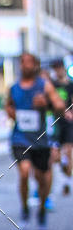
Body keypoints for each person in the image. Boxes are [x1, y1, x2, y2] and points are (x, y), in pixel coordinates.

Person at [5, 52, 64, 230]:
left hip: (39, 139)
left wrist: (46, 103)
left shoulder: (44, 86)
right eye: (22, 62)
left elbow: (60, 107)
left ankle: (41, 209)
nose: (25, 66)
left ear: (36, 65)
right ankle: (24, 208)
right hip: (19, 138)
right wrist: (11, 113)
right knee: (24, 172)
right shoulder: (14, 87)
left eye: (29, 63)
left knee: (42, 178)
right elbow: (8, 105)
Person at [51, 59, 73, 196]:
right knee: (56, 156)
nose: (58, 70)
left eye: (59, 68)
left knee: (69, 152)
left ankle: (66, 181)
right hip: (55, 122)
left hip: (68, 123)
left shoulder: (70, 85)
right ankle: (64, 175)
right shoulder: (51, 85)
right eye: (55, 68)